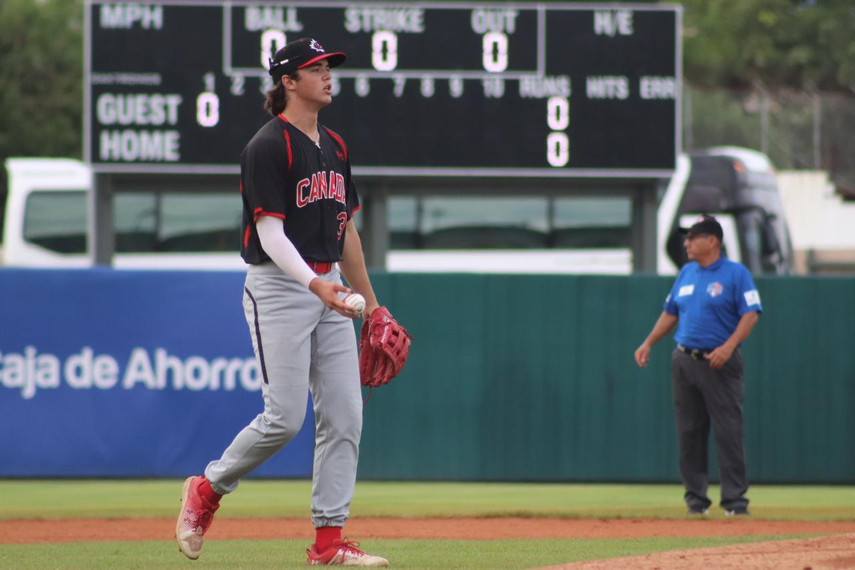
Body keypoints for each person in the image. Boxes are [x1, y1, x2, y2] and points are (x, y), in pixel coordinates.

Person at [175, 38, 389, 567]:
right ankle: (207, 488)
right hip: (280, 287)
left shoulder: (335, 146)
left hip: (332, 285)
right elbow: (269, 234)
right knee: (285, 418)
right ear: (288, 81)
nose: (327, 75)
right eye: (315, 69)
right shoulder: (268, 146)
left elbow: (347, 233)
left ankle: (328, 544)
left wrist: (374, 306)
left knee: (345, 415)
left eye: (328, 67)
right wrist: (317, 287)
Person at [634, 214, 762, 516]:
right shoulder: (687, 273)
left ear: (712, 241)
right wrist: (648, 342)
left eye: (693, 237)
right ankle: (696, 501)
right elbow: (670, 313)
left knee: (728, 432)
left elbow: (751, 313)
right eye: (686, 237)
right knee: (689, 432)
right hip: (684, 359)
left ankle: (735, 502)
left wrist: (729, 347)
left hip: (719, 362)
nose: (687, 242)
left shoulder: (735, 273)